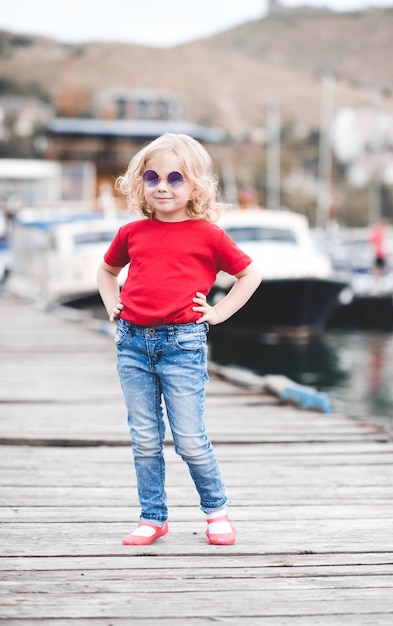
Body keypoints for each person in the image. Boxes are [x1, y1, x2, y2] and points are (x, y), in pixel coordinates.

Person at [97, 133, 261, 547]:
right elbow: (106, 271)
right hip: (132, 344)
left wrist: (219, 312)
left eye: (175, 178)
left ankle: (216, 511)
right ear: (141, 184)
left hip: (183, 345)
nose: (162, 186)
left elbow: (249, 275)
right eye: (152, 177)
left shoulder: (208, 235)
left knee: (189, 438)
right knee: (145, 438)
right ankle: (152, 516)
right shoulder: (132, 232)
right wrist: (111, 301)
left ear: (194, 186)